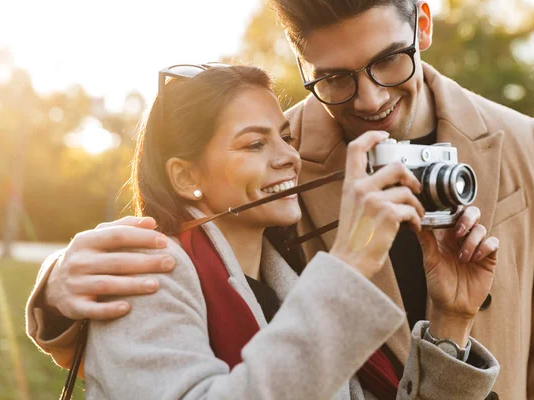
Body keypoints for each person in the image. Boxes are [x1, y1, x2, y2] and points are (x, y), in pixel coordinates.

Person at [26, 0, 534, 398]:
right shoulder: (286, 149)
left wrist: (452, 316)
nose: (369, 99)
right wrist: (57, 283)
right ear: (302, 62)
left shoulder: (522, 139)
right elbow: (185, 241)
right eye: (335, 78)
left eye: (389, 60)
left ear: (422, 24)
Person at [28, 63, 500, 399]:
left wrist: (452, 320)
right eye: (255, 143)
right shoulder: (148, 278)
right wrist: (350, 266)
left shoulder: (293, 283)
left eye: (285, 137)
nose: (287, 157)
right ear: (186, 178)